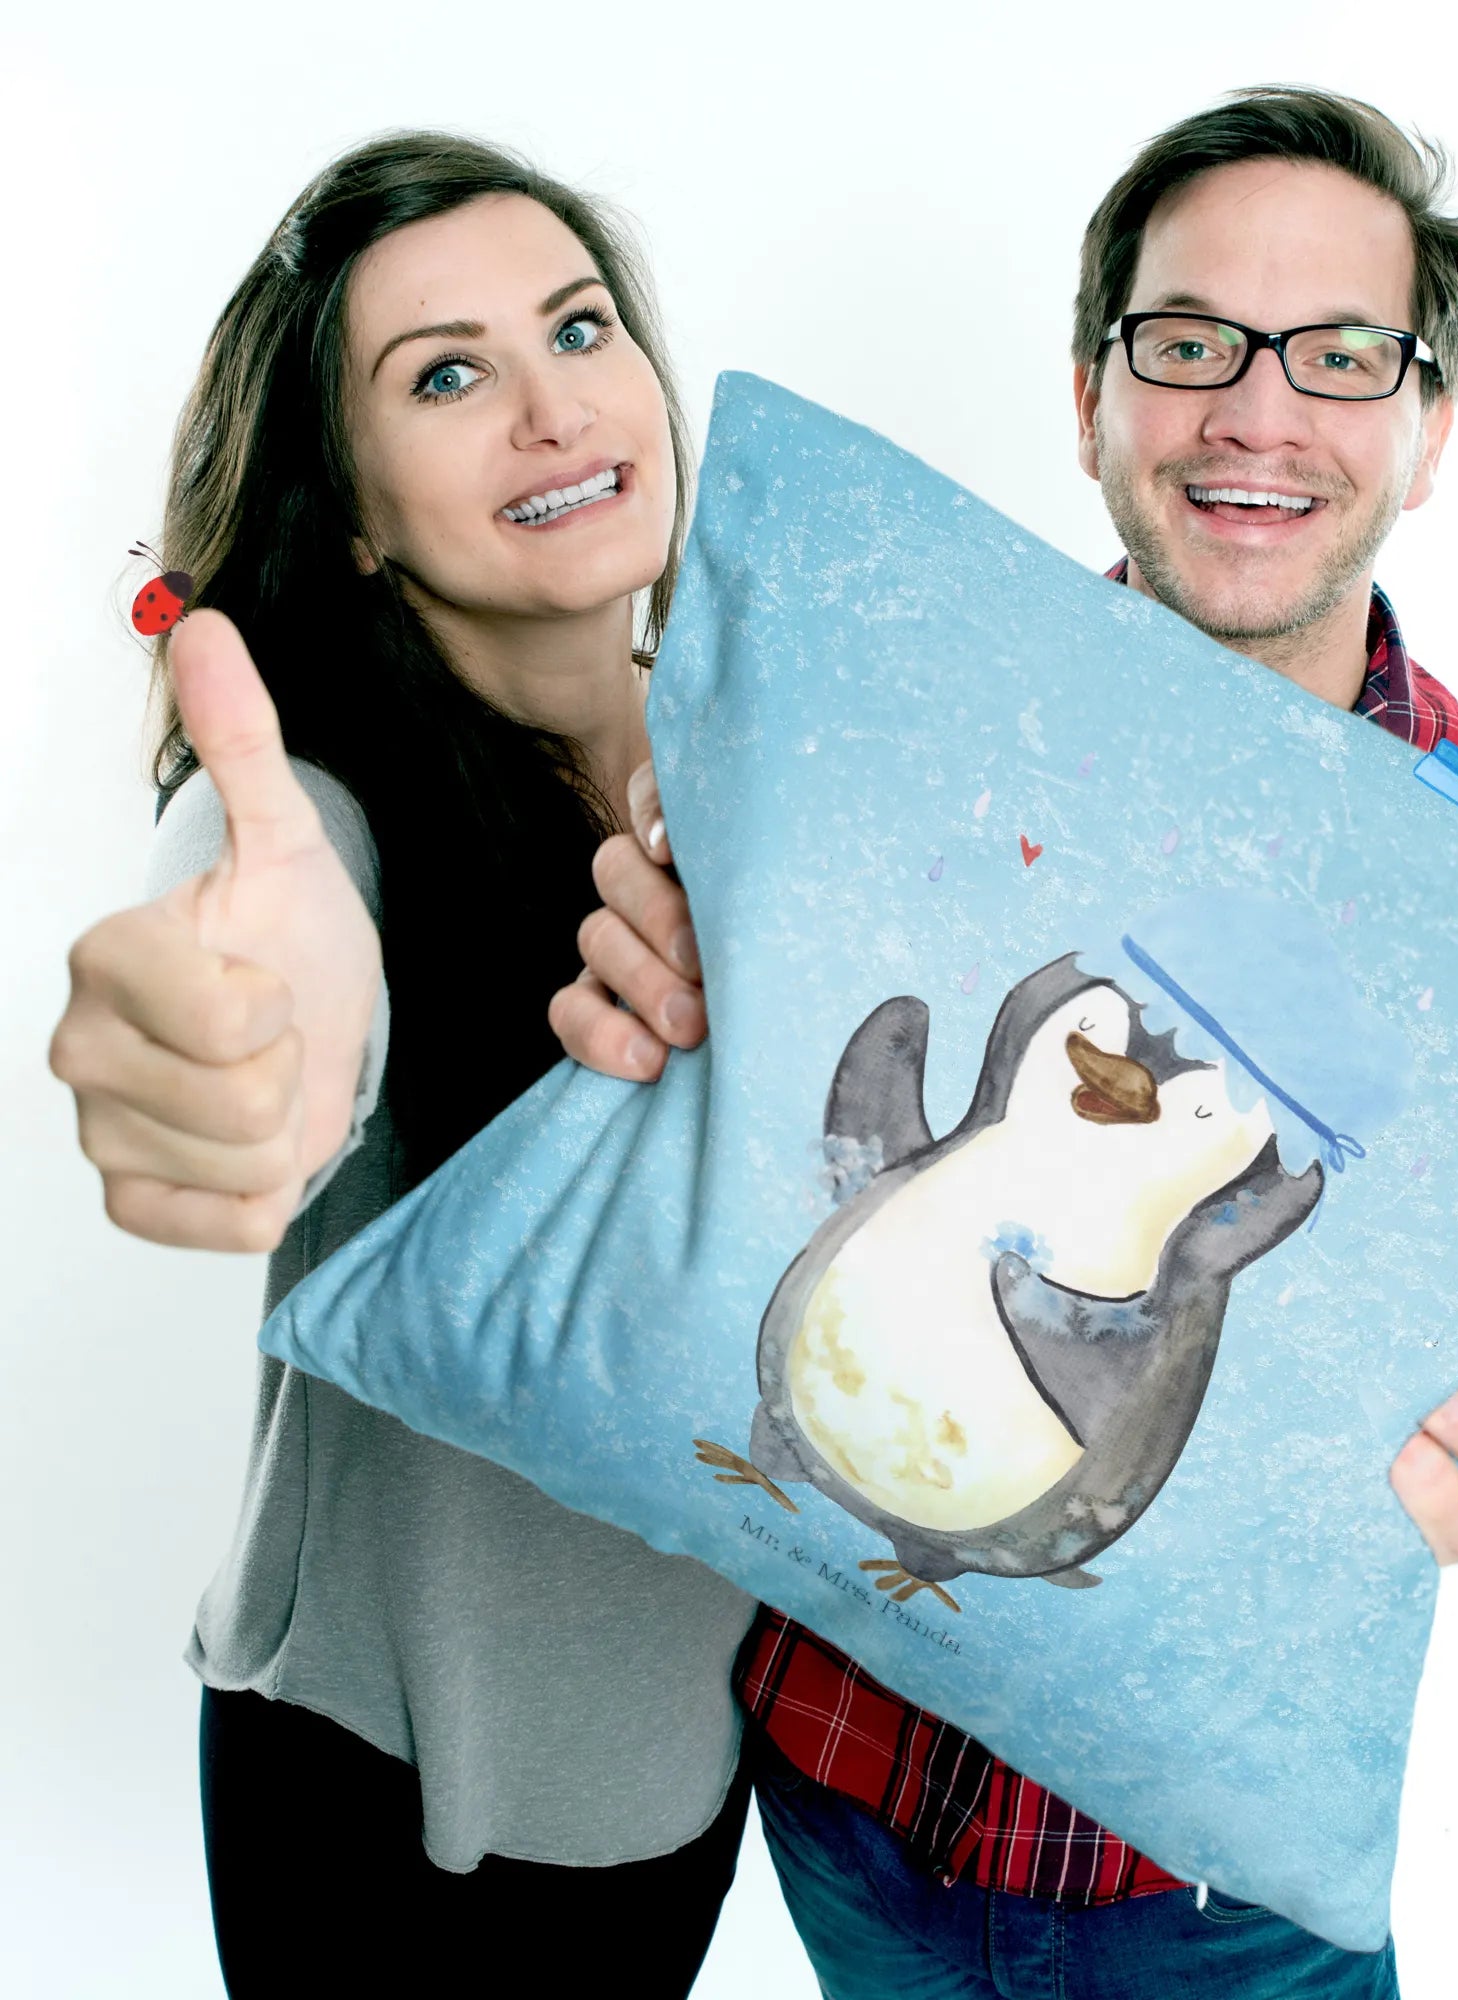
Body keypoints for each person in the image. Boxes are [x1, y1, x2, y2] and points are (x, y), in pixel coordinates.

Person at [553, 87, 1458, 1996]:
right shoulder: (880, 744)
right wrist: (649, 1003)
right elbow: (741, 1173)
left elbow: (1456, 1365)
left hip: (1218, 1899)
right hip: (834, 1800)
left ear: (1429, 433)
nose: (1259, 412)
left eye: (1342, 355)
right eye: (1190, 344)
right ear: (1091, 398)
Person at [47, 135, 752, 1996]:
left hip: (685, 1768)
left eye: (578, 329)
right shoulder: (319, 810)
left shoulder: (759, 769)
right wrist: (231, 1035)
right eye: (445, 375)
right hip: (393, 1804)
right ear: (354, 513)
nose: (551, 408)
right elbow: (263, 932)